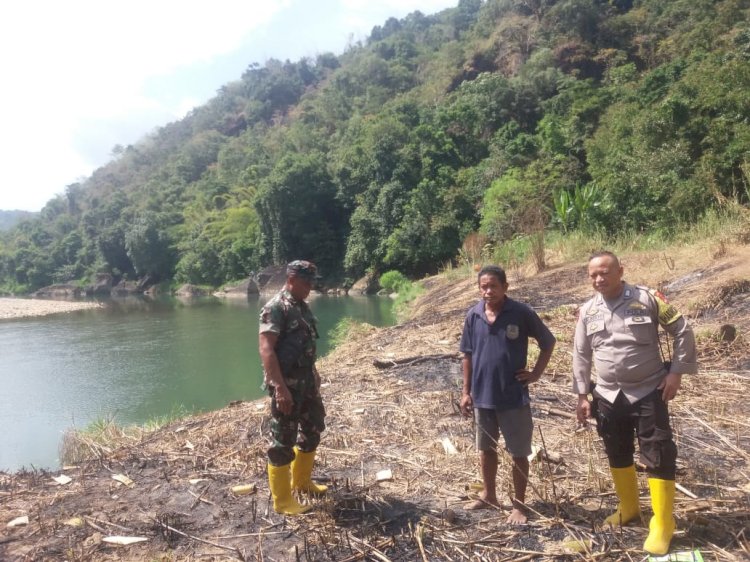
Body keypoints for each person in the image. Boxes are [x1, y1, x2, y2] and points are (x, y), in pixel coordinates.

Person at [573, 251, 698, 555]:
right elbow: (581, 354)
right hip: (607, 394)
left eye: (605, 272)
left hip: (647, 391)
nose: (599, 279)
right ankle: (629, 508)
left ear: (620, 271)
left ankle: (663, 523)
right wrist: (581, 395)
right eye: (593, 275)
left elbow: (682, 331)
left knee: (658, 452)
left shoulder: (647, 299)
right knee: (617, 450)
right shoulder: (587, 310)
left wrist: (676, 374)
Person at [460, 265, 556, 524]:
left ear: (505, 287)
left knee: (519, 452)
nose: (488, 291)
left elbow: (548, 342)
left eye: (493, 286)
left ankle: (520, 505)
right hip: (482, 396)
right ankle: (489, 495)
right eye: (483, 287)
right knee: (485, 449)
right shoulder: (474, 315)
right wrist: (465, 392)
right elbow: (467, 355)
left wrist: (535, 374)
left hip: (513, 396)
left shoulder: (521, 312)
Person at [259, 260, 327, 516]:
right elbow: (266, 349)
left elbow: (305, 347)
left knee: (313, 430)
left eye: (312, 281)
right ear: (290, 279)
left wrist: (314, 374)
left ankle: (302, 483)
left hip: (307, 385)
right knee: (282, 442)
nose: (310, 286)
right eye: (305, 281)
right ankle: (283, 501)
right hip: (286, 387)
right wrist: (279, 387)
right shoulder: (276, 307)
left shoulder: (302, 307)